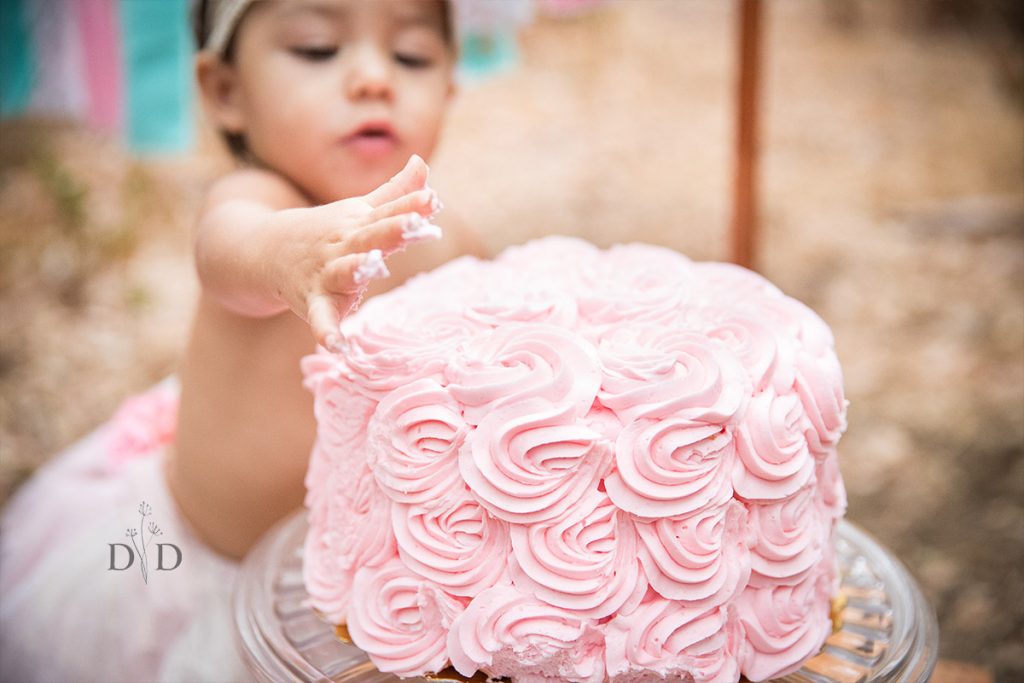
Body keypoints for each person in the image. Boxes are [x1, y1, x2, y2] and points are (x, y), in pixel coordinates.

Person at [0, 1, 478, 680]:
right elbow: (228, 250)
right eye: (317, 49)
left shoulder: (441, 232)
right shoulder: (257, 201)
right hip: (204, 565)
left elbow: (505, 301)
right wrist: (285, 256)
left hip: (346, 583)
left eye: (412, 57)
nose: (375, 77)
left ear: (451, 89)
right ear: (226, 92)